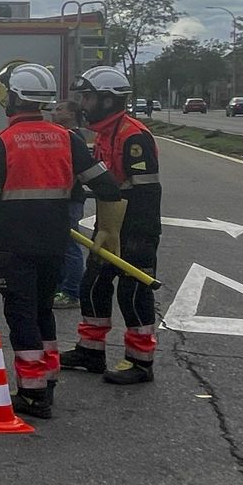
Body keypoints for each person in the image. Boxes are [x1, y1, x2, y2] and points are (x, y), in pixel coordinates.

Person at [0, 62, 123, 419]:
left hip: (15, 244)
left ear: (13, 98)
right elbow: (106, 186)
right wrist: (108, 229)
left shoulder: (0, 143)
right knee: (43, 310)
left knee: (21, 314)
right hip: (56, 242)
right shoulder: (69, 139)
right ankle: (48, 378)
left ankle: (32, 393)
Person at [58, 66, 164, 385]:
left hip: (135, 226)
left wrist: (135, 239)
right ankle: (91, 350)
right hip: (111, 223)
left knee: (133, 292)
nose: (83, 105)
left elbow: (145, 190)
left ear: (108, 100)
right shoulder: (105, 134)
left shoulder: (133, 136)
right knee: (93, 286)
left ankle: (140, 361)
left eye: (88, 98)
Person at [50, 98, 91, 310]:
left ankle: (71, 292)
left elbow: (75, 170)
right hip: (62, 199)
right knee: (59, 245)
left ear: (71, 113)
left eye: (59, 109)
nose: (53, 113)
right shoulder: (63, 136)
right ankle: (60, 286)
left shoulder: (74, 138)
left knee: (70, 246)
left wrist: (63, 192)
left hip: (69, 199)